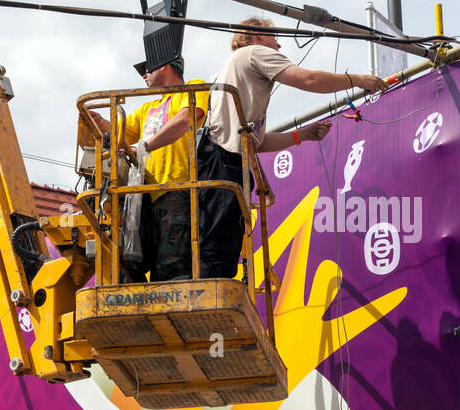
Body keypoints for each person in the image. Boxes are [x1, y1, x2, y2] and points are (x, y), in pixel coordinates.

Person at [146, 16, 386, 278]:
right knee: (216, 248)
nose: (279, 46)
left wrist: (301, 135)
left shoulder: (243, 76)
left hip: (222, 161)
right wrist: (358, 79)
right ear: (256, 35)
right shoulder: (253, 53)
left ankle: (211, 297)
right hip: (222, 163)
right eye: (274, 37)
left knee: (220, 246)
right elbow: (309, 80)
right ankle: (208, 302)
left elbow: (255, 142)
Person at [111, 56, 208, 280]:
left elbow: (187, 118)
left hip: (180, 189)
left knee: (173, 268)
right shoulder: (148, 107)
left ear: (163, 64)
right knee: (133, 261)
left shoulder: (193, 88)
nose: (144, 76)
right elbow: (117, 132)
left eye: (146, 69)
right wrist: (96, 120)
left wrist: (145, 146)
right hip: (147, 197)